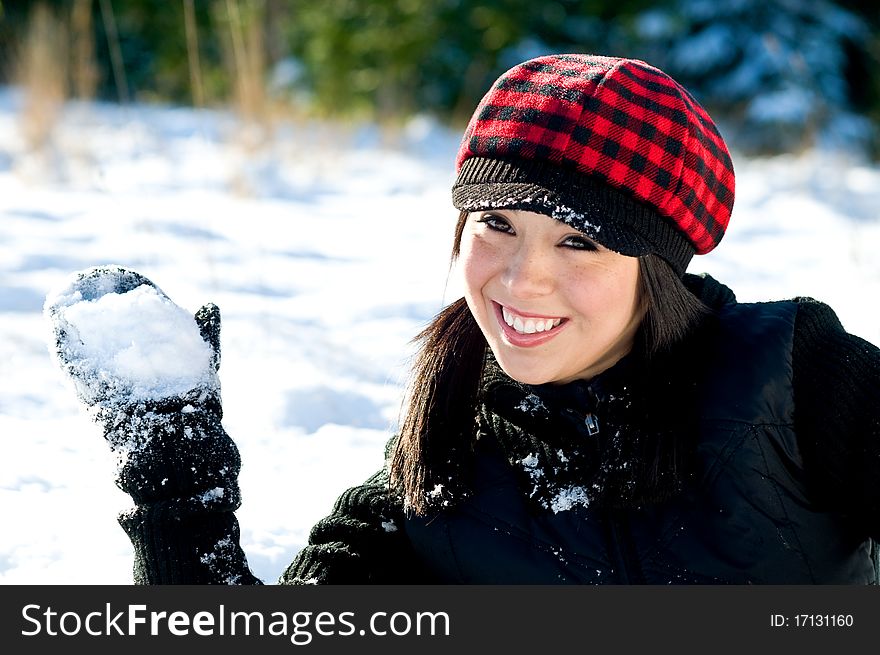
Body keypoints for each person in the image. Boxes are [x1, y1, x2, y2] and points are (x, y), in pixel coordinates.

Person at [45, 53, 880, 585]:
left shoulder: (795, 377)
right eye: (498, 226)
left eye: (580, 242)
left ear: (656, 268)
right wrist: (176, 478)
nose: (523, 280)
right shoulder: (442, 448)